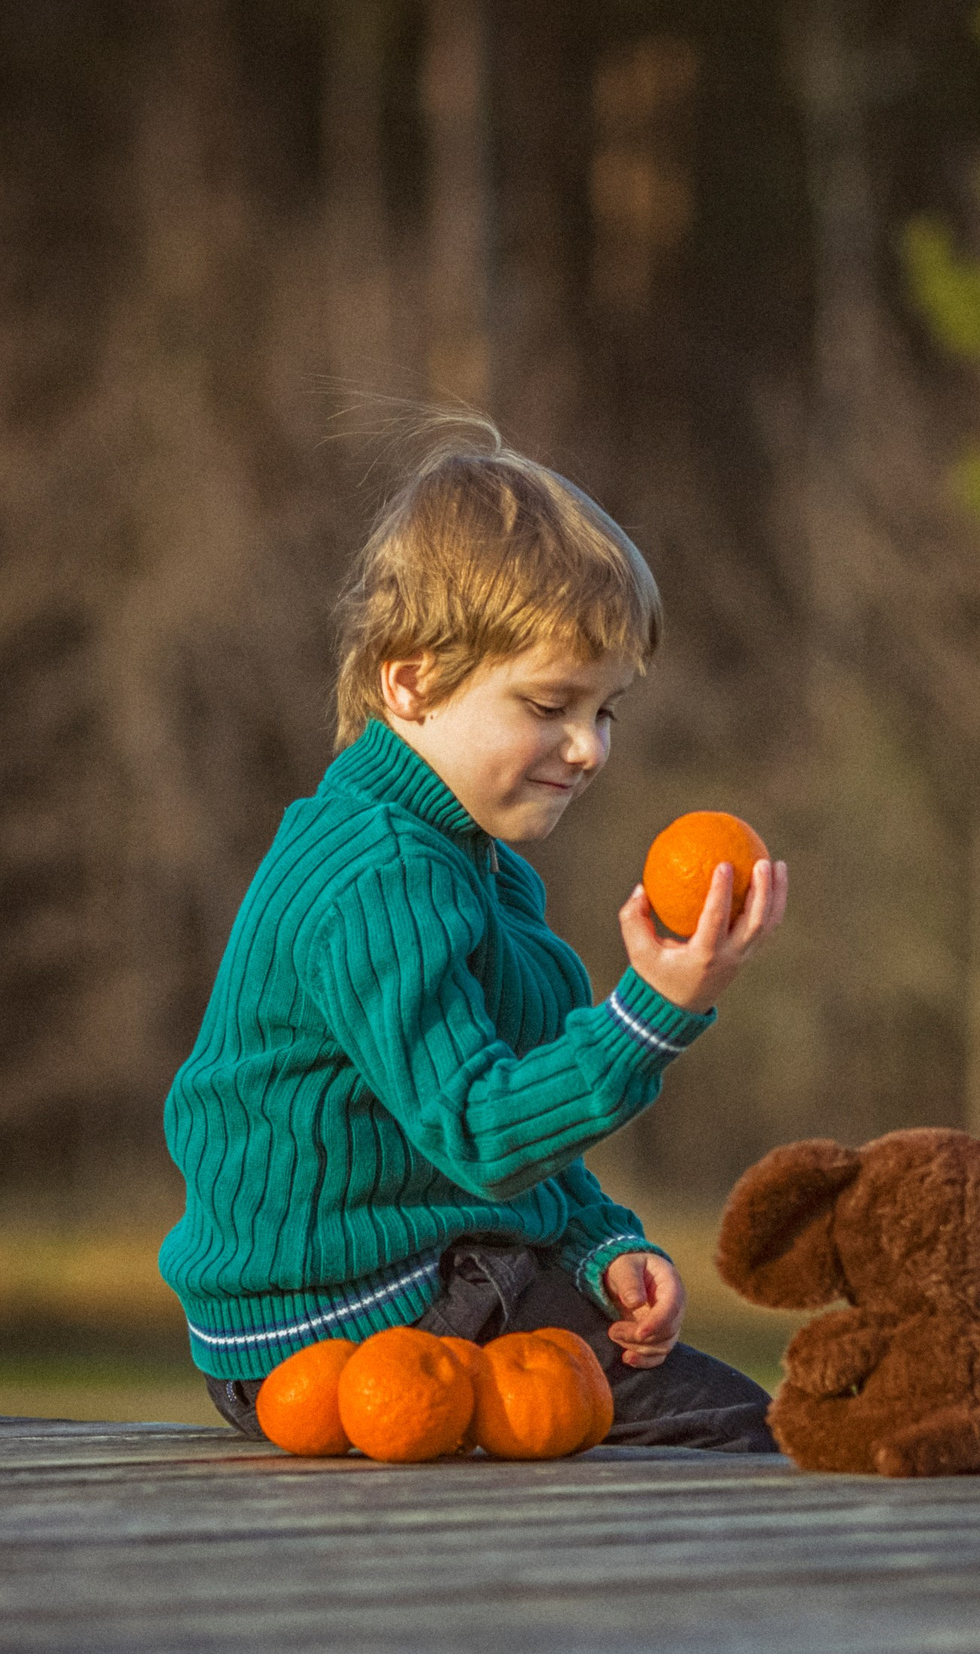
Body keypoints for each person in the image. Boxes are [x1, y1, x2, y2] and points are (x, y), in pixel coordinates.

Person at [158, 421, 788, 1452]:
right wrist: (652, 1010)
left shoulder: (468, 863)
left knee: (677, 1413)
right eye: (550, 703)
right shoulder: (380, 874)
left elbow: (509, 1101)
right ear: (408, 681)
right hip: (348, 1314)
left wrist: (595, 1246)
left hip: (426, 1269)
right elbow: (482, 1130)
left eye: (607, 710)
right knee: (733, 1433)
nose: (588, 749)